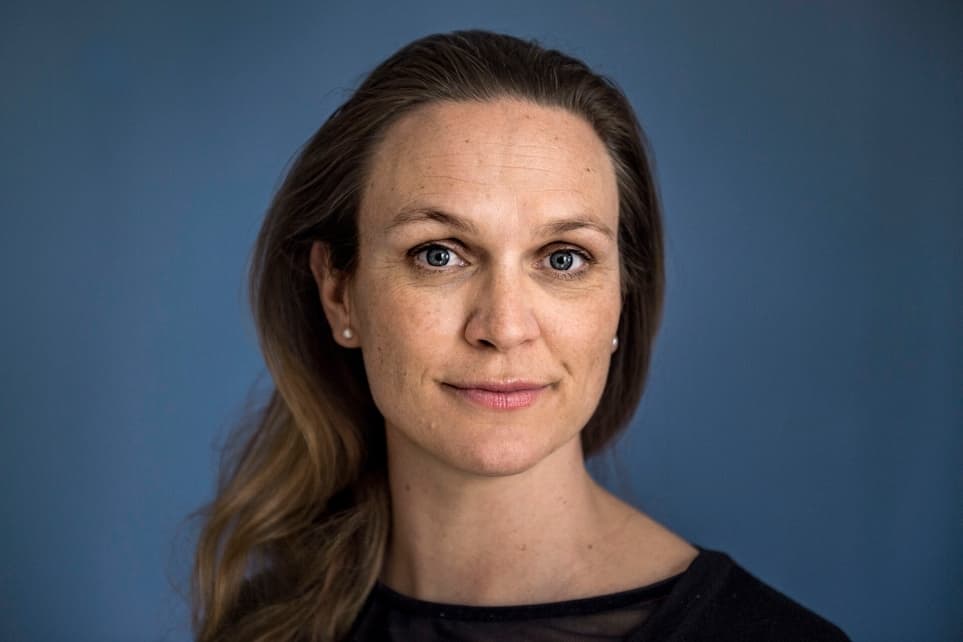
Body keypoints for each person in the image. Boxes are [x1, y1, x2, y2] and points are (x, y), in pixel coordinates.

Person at [190, 30, 850, 641]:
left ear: (621, 300)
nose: (504, 328)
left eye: (563, 258)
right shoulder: (266, 623)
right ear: (340, 292)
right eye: (439, 255)